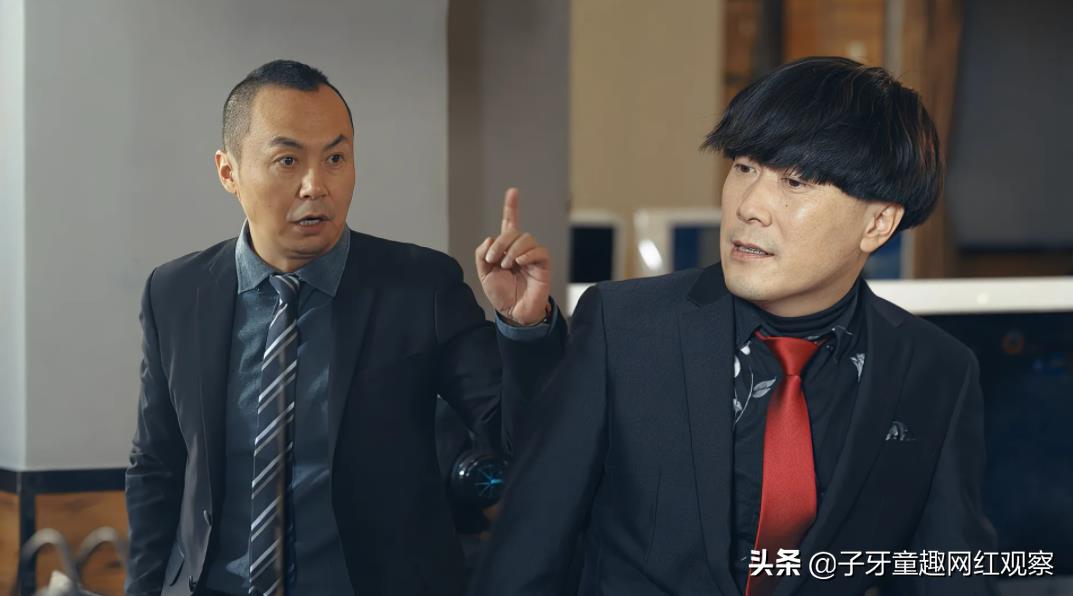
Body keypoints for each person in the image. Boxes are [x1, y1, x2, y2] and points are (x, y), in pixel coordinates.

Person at [470, 56, 997, 596]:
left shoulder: (936, 371)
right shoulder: (626, 328)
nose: (750, 207)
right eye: (744, 167)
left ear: (878, 223)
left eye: (795, 181)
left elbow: (951, 570)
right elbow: (530, 543)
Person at [124, 59, 565, 596]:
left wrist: (523, 328)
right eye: (288, 160)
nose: (316, 185)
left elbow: (525, 441)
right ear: (228, 172)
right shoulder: (176, 293)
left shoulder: (419, 287)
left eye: (335, 158)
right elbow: (157, 463)